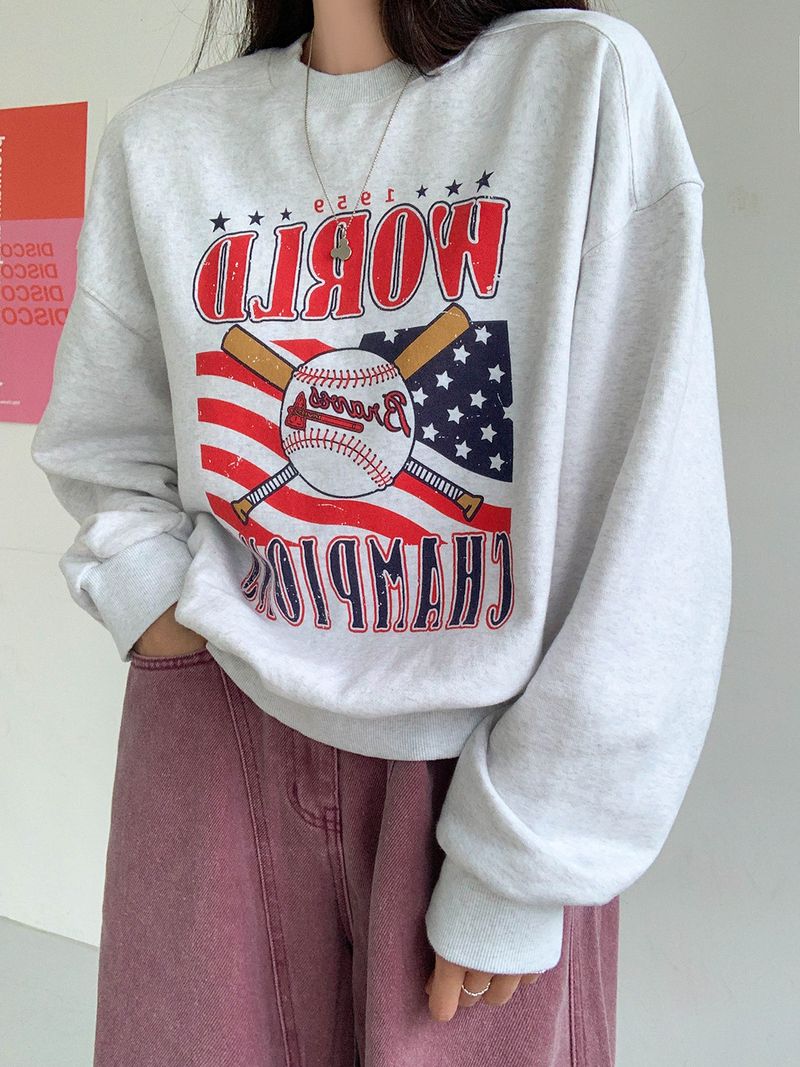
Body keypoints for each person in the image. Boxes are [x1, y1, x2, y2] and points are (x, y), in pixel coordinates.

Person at [30, 1, 732, 1063]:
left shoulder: (579, 80)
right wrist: (152, 604)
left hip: (473, 762)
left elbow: (652, 514)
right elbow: (102, 439)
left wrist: (527, 854)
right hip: (216, 731)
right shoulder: (165, 139)